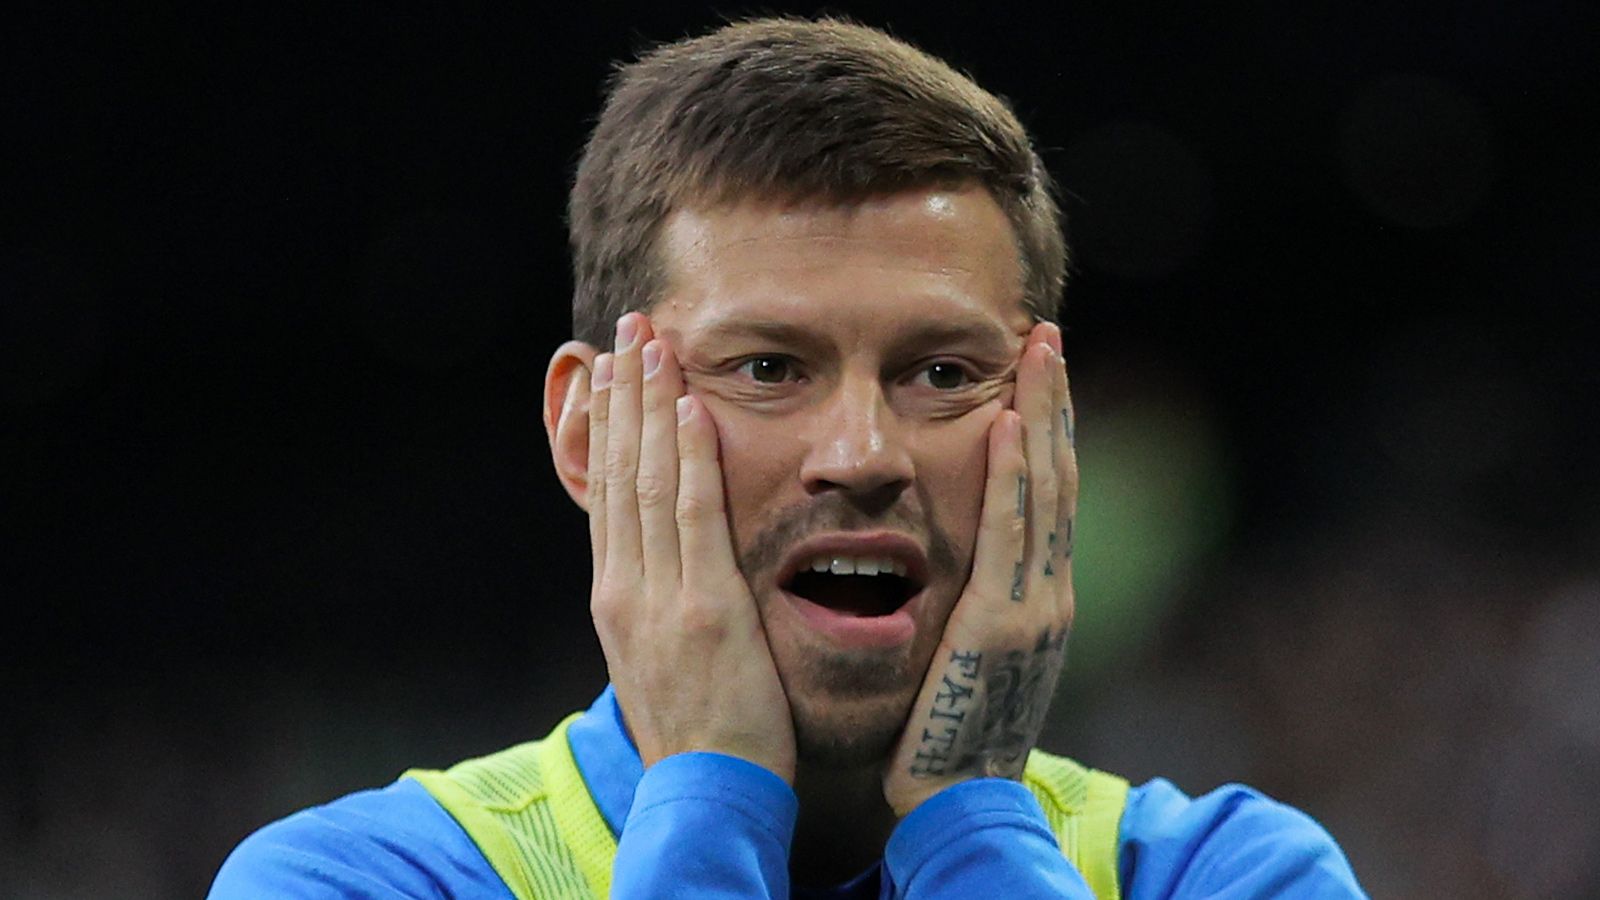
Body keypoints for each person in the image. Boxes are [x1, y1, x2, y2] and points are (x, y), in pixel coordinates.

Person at [210, 16, 1364, 898]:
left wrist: (969, 818)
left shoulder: (1228, 873)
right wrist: (712, 798)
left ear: (1049, 428)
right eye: (768, 368)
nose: (861, 455)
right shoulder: (361, 881)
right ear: (589, 432)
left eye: (942, 373)